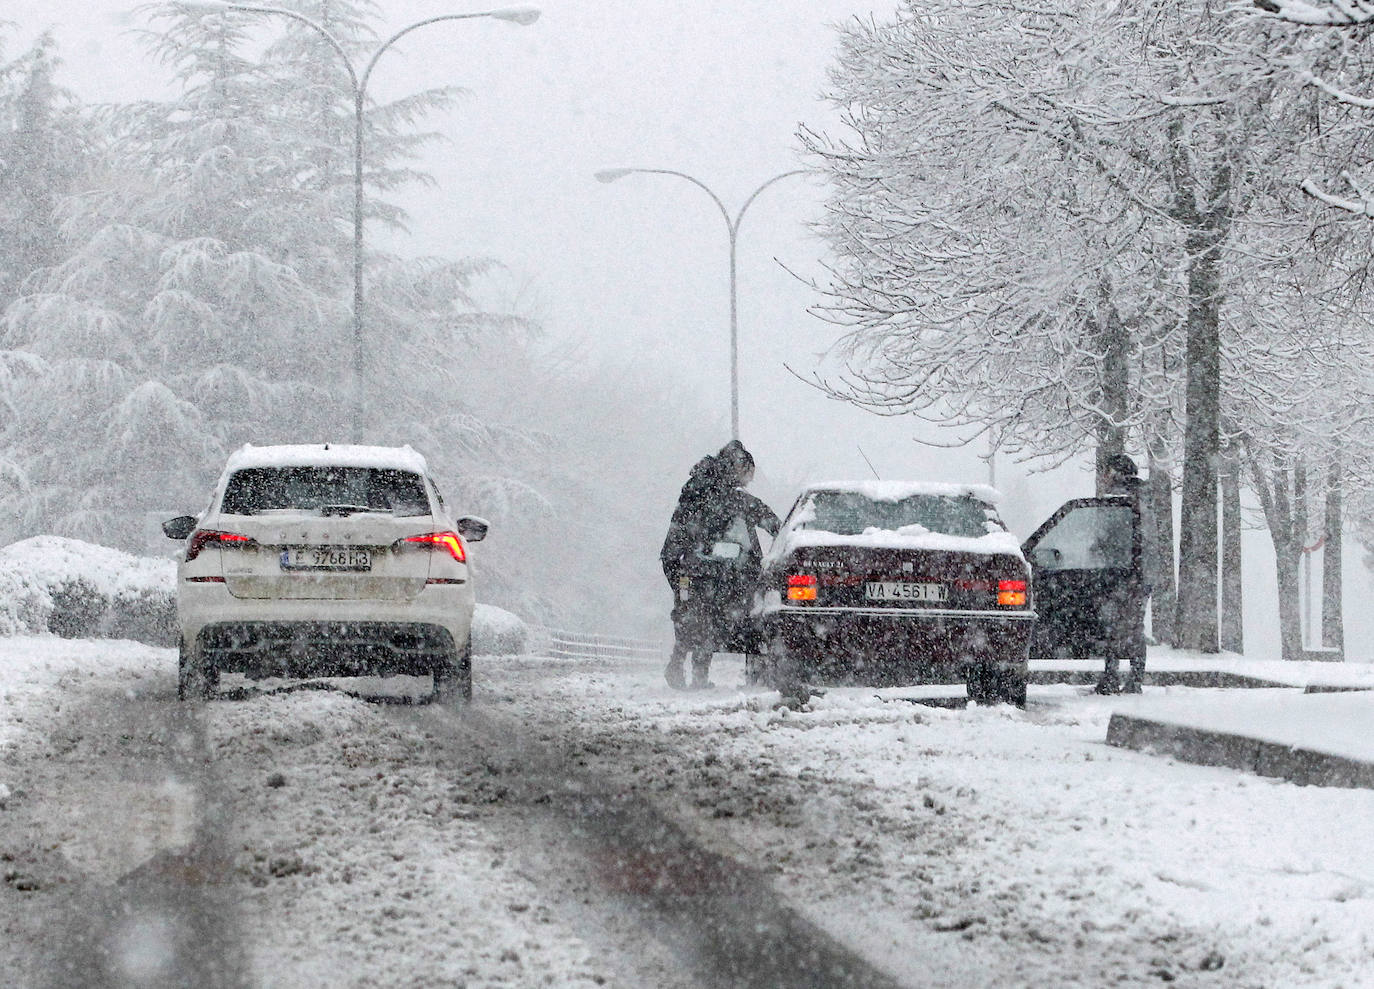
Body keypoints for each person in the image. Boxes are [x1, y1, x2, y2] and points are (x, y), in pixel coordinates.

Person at [659, 440, 779, 689]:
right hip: (720, 571)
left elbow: (677, 534)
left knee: (696, 617)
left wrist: (678, 574)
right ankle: (700, 674)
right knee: (714, 618)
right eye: (746, 475)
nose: (747, 481)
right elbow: (767, 519)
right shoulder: (730, 498)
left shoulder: (696, 489)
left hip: (695, 568)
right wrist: (785, 535)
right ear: (736, 468)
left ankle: (684, 667)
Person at [1095, 452, 1149, 695]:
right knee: (1133, 626)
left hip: (1122, 573)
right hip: (1140, 572)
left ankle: (1113, 677)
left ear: (1115, 472)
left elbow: (1110, 538)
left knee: (1115, 627)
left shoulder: (1119, 498)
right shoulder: (1142, 495)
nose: (1103, 477)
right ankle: (1133, 678)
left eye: (1106, 471)